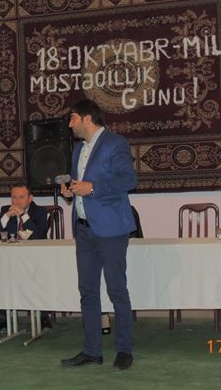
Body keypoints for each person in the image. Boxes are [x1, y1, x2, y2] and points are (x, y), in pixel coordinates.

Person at [60, 99, 137, 371]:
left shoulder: (115, 143)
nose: (70, 125)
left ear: (86, 118)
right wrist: (69, 191)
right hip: (84, 229)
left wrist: (92, 188)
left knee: (116, 290)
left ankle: (124, 350)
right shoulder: (78, 149)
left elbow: (129, 180)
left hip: (111, 230)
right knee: (88, 291)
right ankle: (92, 350)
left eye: (72, 118)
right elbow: (78, 185)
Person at [0, 184, 48, 332]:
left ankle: (42, 317)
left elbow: (38, 235)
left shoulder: (40, 211)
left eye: (21, 197)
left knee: (39, 276)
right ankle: (4, 318)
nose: (17, 201)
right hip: (11, 259)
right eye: (14, 197)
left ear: (30, 198)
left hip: (35, 259)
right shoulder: (5, 210)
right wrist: (6, 216)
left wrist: (23, 215)